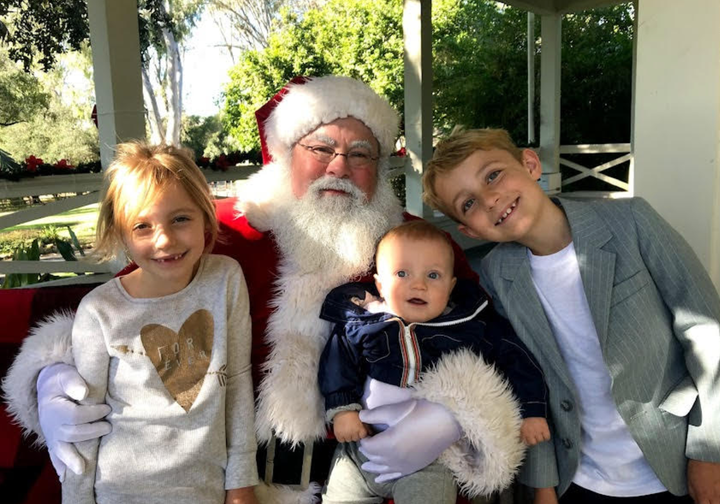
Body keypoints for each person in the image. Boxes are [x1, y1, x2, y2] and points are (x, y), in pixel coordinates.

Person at [3, 77, 521, 504]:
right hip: (231, 487)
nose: (339, 166)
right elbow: (119, 309)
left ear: (380, 169)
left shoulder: (418, 247)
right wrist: (52, 378)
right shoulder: (218, 231)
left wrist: (452, 415)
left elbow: (491, 343)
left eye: (360, 154)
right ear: (284, 154)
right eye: (320, 148)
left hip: (370, 479)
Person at [421, 127, 720, 504]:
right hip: (580, 477)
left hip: (677, 456)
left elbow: (708, 336)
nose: (491, 199)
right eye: (469, 204)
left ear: (529, 164)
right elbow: (522, 379)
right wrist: (543, 482)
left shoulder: (631, 221)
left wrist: (709, 451)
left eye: (493, 175)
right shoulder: (498, 275)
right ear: (468, 229)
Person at [62, 142, 258, 504]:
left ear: (205, 217)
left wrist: (242, 482)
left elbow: (239, 381)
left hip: (207, 489)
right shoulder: (99, 310)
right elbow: (83, 422)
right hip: (121, 492)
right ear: (121, 234)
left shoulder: (226, 279)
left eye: (180, 219)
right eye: (142, 226)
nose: (165, 240)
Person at [318, 220, 548, 503]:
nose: (418, 284)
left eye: (434, 275)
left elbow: (516, 358)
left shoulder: (469, 324)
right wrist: (342, 411)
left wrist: (533, 410)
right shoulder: (365, 322)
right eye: (402, 273)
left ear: (451, 286)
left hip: (430, 458)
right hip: (360, 448)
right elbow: (337, 363)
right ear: (379, 283)